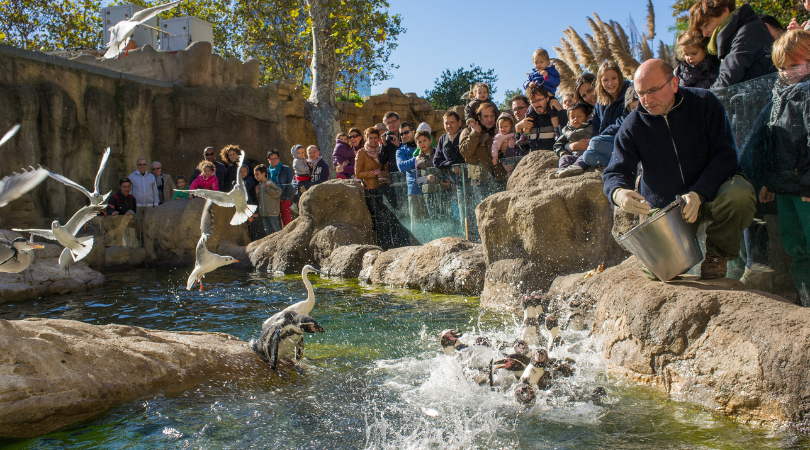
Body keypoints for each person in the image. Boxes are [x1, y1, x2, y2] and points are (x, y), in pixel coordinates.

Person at [602, 59, 756, 280]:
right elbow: (614, 172)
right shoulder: (632, 126)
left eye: (654, 90)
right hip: (669, 206)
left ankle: (717, 255)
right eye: (641, 93)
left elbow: (727, 156)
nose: (647, 100)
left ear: (674, 83)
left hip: (713, 192)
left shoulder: (705, 103)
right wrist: (619, 192)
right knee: (658, 273)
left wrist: (699, 193)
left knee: (739, 195)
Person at [756, 30, 810, 305]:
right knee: (795, 246)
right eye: (781, 67)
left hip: (806, 188)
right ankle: (805, 299)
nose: (788, 72)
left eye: (794, 65)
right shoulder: (781, 95)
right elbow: (775, 147)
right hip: (788, 188)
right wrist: (770, 183)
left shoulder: (807, 95)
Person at [689, 0, 775, 89]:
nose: (704, 34)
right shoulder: (735, 34)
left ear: (724, 12)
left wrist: (707, 99)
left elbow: (728, 79)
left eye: (706, 25)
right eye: (701, 29)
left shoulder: (747, 31)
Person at [578, 61, 632, 170]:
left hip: (625, 139)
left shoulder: (629, 92)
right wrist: (598, 139)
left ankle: (629, 160)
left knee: (594, 142)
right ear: (600, 81)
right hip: (607, 143)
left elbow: (625, 120)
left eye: (614, 78)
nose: (610, 83)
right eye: (605, 80)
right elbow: (597, 125)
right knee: (587, 156)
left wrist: (600, 137)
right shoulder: (601, 101)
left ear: (620, 77)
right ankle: (623, 162)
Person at [356, 127, 392, 248]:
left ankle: (388, 245)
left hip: (382, 188)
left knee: (387, 218)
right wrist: (372, 174)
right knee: (378, 219)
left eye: (375, 138)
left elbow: (386, 169)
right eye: (370, 138)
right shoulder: (361, 152)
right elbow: (357, 173)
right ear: (366, 138)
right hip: (370, 189)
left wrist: (383, 174)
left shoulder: (381, 151)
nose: (372, 140)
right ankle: (380, 246)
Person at [396, 121, 428, 237]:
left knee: (432, 221)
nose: (404, 135)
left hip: (431, 188)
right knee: (417, 225)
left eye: (406, 132)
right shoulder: (400, 150)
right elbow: (401, 166)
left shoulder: (424, 143)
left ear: (413, 132)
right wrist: (417, 159)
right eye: (401, 134)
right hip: (414, 190)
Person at [549, 103, 594, 179]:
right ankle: (562, 170)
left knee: (585, 156)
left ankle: (577, 167)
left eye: (579, 116)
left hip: (587, 154)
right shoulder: (567, 131)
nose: (575, 119)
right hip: (574, 155)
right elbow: (558, 144)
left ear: (587, 117)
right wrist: (563, 152)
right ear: (569, 120)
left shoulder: (591, 127)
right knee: (564, 158)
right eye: (572, 117)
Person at [523, 48, 561, 133]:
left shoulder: (551, 71)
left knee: (553, 113)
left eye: (541, 62)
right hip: (536, 99)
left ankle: (556, 130)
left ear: (547, 61)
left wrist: (547, 77)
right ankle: (525, 134)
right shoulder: (533, 74)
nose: (538, 64)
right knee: (529, 113)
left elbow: (557, 82)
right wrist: (529, 84)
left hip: (549, 96)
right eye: (536, 62)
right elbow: (524, 83)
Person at [515, 84, 556, 151]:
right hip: (534, 160)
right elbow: (525, 149)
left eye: (539, 100)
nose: (537, 105)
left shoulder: (555, 119)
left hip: (553, 160)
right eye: (533, 102)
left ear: (547, 99)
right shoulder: (529, 121)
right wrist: (518, 130)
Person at [266, 150, 295, 226]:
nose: (274, 160)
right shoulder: (267, 172)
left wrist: (286, 197)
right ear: (268, 160)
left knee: (287, 220)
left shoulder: (286, 169)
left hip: (283, 198)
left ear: (279, 158)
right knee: (274, 222)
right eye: (271, 159)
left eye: (275, 158)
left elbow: (290, 184)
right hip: (273, 199)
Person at [253, 164, 283, 235]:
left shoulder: (270, 183)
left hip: (272, 212)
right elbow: (261, 199)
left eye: (257, 174)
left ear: (263, 174)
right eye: (255, 175)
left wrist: (269, 189)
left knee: (277, 230)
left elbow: (279, 192)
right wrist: (257, 193)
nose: (256, 177)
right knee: (267, 231)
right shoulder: (260, 185)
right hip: (264, 213)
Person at [129, 158, 159, 224]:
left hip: (149, 205)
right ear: (137, 165)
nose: (142, 166)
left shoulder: (151, 176)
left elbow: (155, 191)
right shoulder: (132, 176)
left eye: (144, 164)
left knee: (149, 223)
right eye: (140, 164)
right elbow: (130, 191)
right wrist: (131, 204)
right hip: (137, 205)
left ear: (146, 165)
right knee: (137, 223)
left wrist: (156, 203)